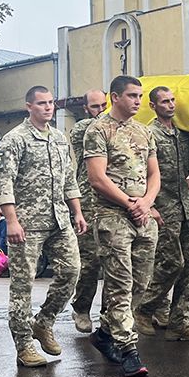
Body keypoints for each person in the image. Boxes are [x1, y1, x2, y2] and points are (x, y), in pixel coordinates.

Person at [0, 85, 87, 368]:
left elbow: (69, 180)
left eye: (51, 103)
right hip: (27, 223)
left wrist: (78, 212)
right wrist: (11, 220)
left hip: (59, 219)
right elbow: (3, 181)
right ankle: (24, 346)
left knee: (72, 271)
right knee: (23, 286)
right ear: (29, 106)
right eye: (42, 103)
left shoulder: (59, 138)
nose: (48, 108)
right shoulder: (15, 139)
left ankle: (44, 321)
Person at [83, 75, 160, 377]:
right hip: (112, 216)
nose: (138, 101)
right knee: (120, 283)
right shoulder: (98, 130)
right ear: (115, 97)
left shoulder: (144, 131)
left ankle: (104, 334)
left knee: (141, 283)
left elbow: (155, 175)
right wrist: (130, 203)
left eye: (140, 96)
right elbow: (97, 178)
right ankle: (128, 349)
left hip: (143, 215)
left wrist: (146, 202)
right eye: (131, 96)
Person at [135, 86, 189, 342]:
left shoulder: (183, 134)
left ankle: (180, 321)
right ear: (153, 106)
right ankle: (144, 308)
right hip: (163, 208)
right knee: (171, 263)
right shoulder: (148, 134)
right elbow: (139, 173)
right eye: (165, 101)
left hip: (187, 208)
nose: (171, 105)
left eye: (173, 100)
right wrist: (149, 205)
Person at [68, 88, 107, 333]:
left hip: (114, 200)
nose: (101, 111)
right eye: (95, 107)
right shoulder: (82, 128)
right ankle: (82, 308)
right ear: (86, 109)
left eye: (104, 106)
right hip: (89, 202)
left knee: (116, 262)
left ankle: (110, 314)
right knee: (90, 262)